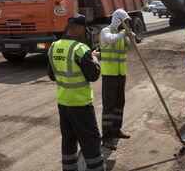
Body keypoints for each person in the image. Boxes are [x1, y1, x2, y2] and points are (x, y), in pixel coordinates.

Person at [47, 14, 105, 171]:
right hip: (80, 104)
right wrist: (94, 57)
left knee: (68, 139)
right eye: (83, 30)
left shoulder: (54, 47)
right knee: (91, 141)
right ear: (79, 28)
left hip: (63, 103)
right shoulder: (80, 49)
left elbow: (52, 75)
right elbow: (93, 75)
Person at [100, 9, 135, 150]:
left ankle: (116, 130)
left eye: (127, 22)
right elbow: (112, 39)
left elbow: (132, 48)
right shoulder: (106, 31)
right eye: (125, 21)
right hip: (109, 75)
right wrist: (124, 32)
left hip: (121, 74)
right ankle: (107, 136)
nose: (126, 23)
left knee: (120, 103)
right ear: (118, 20)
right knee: (109, 105)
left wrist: (131, 37)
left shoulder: (123, 34)